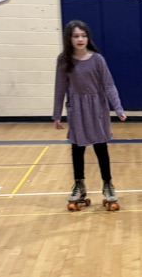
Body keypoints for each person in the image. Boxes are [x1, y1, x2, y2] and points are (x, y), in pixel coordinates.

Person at [53, 19, 127, 210]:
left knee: (101, 147)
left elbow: (109, 85)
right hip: (76, 108)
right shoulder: (64, 60)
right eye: (76, 36)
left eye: (83, 35)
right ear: (69, 39)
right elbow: (60, 88)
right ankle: (79, 184)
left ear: (88, 38)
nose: (80, 39)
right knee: (77, 148)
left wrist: (118, 108)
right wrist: (57, 114)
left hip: (97, 108)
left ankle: (108, 184)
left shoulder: (97, 60)